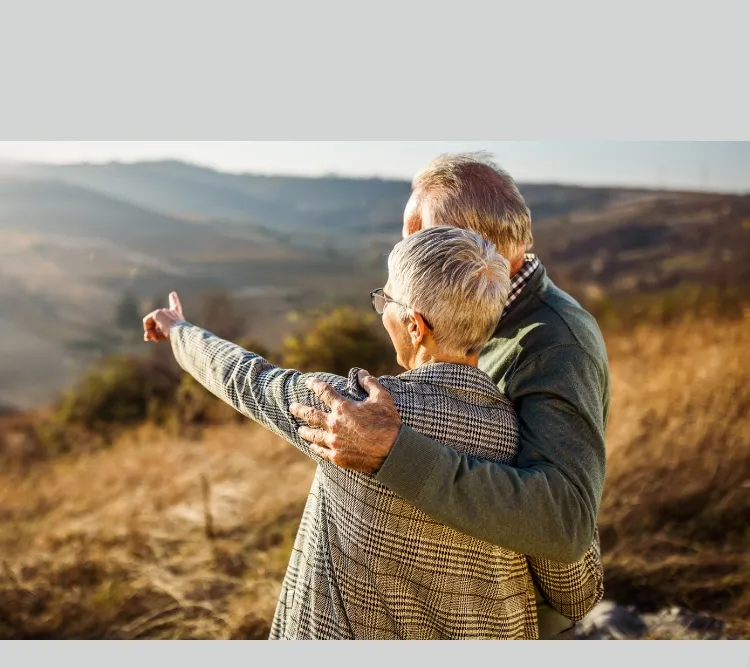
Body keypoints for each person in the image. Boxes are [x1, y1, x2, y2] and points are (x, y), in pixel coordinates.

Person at [143, 226, 541, 639]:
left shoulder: (351, 410)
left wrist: (179, 331)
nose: (380, 309)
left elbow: (248, 380)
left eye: (384, 300)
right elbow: (569, 581)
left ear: (415, 326)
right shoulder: (525, 434)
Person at [289, 153, 608, 638]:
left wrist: (394, 453)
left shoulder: (558, 343)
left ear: (474, 249)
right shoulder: (472, 314)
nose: (404, 251)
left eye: (419, 235)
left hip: (514, 618)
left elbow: (564, 522)